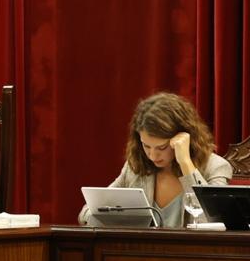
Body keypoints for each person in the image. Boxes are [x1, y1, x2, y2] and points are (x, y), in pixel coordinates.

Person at [78, 92, 231, 228]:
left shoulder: (216, 167)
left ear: (183, 139)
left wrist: (185, 163)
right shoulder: (135, 168)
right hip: (142, 256)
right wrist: (113, 218)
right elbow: (86, 214)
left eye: (162, 147)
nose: (152, 156)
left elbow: (214, 222)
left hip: (193, 258)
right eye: (146, 146)